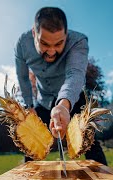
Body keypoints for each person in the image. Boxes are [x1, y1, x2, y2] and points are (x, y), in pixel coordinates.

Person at [15, 7, 107, 165]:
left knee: (90, 143)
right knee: (30, 146)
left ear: (66, 35)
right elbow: (23, 77)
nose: (51, 51)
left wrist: (63, 105)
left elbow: (75, 74)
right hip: (42, 101)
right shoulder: (22, 44)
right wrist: (29, 105)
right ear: (33, 33)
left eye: (58, 44)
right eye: (44, 44)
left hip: (73, 99)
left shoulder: (78, 42)